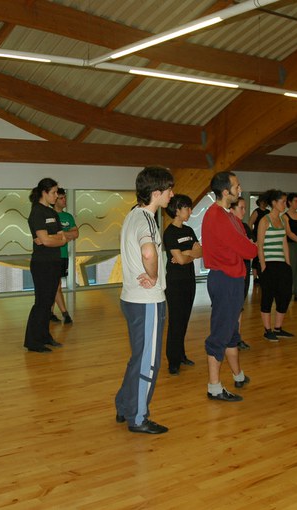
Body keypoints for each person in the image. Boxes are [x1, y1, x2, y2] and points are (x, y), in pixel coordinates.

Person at [114, 166, 173, 434]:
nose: (172, 194)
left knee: (139, 357)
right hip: (147, 301)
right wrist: (154, 275)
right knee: (149, 362)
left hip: (133, 299)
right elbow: (149, 252)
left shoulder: (132, 215)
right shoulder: (147, 218)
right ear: (156, 192)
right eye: (169, 190)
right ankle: (138, 417)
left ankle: (125, 404)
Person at [201, 171, 257, 403]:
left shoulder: (228, 215)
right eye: (236, 186)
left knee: (232, 332)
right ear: (225, 192)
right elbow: (248, 249)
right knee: (220, 334)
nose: (240, 189)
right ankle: (214, 387)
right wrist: (251, 245)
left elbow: (244, 241)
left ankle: (238, 375)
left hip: (233, 279)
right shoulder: (217, 216)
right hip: (225, 280)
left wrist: (248, 244)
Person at [23, 178, 67, 352]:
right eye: (54, 192)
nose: (56, 196)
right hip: (42, 264)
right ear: (44, 192)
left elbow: (62, 238)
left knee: (48, 303)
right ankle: (32, 341)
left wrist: (49, 238)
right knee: (41, 303)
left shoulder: (52, 213)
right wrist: (50, 239)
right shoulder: (37, 212)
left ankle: (44, 336)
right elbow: (47, 241)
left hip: (55, 262)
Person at [163, 194, 202, 375]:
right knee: (176, 321)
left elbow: (201, 252)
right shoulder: (169, 233)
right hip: (175, 283)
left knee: (184, 320)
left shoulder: (189, 230)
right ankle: (173, 361)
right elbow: (178, 260)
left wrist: (185, 254)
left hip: (189, 281)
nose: (190, 211)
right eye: (187, 208)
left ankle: (181, 355)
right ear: (177, 210)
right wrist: (188, 253)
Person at [257, 189, 294, 340]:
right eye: (282, 202)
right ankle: (268, 330)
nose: (285, 204)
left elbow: (284, 243)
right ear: (274, 203)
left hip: (282, 264)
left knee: (285, 296)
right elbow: (259, 246)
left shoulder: (283, 220)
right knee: (268, 297)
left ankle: (278, 328)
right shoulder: (265, 220)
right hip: (269, 264)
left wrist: (288, 264)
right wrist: (263, 266)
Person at [50, 188, 79, 324]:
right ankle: (65, 314)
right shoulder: (49, 215)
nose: (64, 200)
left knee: (56, 285)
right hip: (52, 256)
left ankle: (50, 313)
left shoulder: (68, 217)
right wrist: (66, 235)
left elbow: (76, 234)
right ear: (55, 200)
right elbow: (49, 236)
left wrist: (60, 235)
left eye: (65, 198)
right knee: (56, 286)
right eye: (61, 198)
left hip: (63, 255)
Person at [230, 196, 253, 351]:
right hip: (232, 272)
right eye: (241, 208)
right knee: (230, 307)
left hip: (244, 269)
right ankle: (230, 338)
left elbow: (251, 248)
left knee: (239, 306)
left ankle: (236, 338)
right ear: (232, 209)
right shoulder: (229, 227)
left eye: (245, 208)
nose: (244, 211)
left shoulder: (244, 227)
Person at [249, 196, 269, 283]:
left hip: (266, 236)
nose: (264, 203)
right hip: (257, 237)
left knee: (265, 256)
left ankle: (263, 275)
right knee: (256, 257)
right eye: (262, 202)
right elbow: (250, 223)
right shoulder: (256, 212)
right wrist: (253, 237)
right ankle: (255, 277)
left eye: (265, 202)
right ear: (259, 202)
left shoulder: (268, 212)